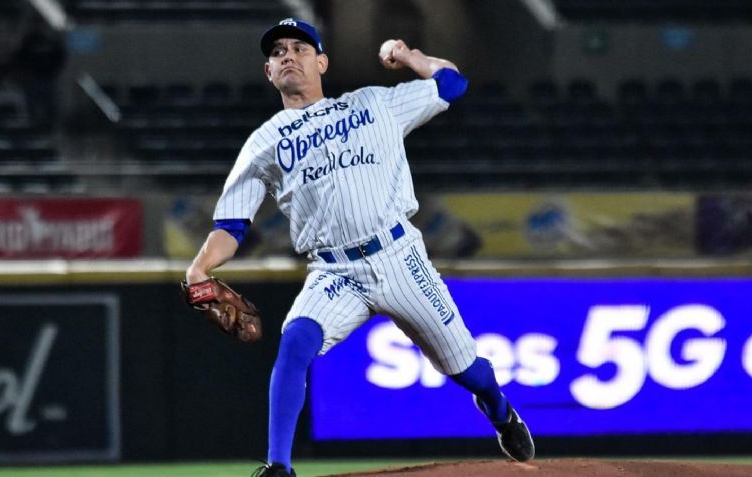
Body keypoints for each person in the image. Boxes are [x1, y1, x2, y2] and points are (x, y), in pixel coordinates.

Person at [185, 18, 535, 477]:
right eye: (277, 53)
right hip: (333, 273)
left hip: (399, 258)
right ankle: (279, 467)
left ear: (322, 62)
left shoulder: (373, 104)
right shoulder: (263, 143)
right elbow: (232, 224)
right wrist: (197, 269)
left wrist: (410, 57)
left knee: (467, 368)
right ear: (269, 72)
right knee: (295, 344)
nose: (288, 55)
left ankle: (500, 410)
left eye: (300, 48)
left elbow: (452, 83)